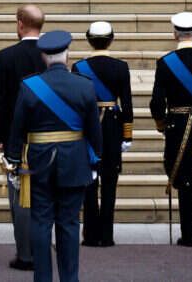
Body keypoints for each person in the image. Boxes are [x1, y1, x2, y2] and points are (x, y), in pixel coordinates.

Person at [5, 30, 102, 282]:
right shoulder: (85, 85)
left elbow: (17, 129)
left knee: (41, 223)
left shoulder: (29, 86)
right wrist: (95, 161)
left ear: (43, 56)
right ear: (67, 55)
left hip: (38, 163)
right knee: (69, 224)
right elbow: (94, 131)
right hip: (75, 162)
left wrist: (13, 161)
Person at [149, 11, 192, 248]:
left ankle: (188, 236)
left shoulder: (166, 63)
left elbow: (157, 102)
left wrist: (162, 124)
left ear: (175, 34)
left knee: (184, 180)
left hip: (177, 127)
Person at [0, 4, 47, 271]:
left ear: (20, 24)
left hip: (18, 139)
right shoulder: (52, 54)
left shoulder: (5, 56)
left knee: (20, 199)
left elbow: (0, 101)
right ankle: (44, 249)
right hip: (50, 136)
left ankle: (26, 253)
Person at [72, 21, 132, 247]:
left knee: (89, 181)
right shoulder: (121, 67)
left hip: (88, 126)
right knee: (110, 182)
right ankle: (107, 235)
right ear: (112, 39)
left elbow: (76, 104)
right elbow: (127, 103)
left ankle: (91, 233)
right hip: (113, 127)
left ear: (89, 39)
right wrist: (127, 136)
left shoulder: (79, 67)